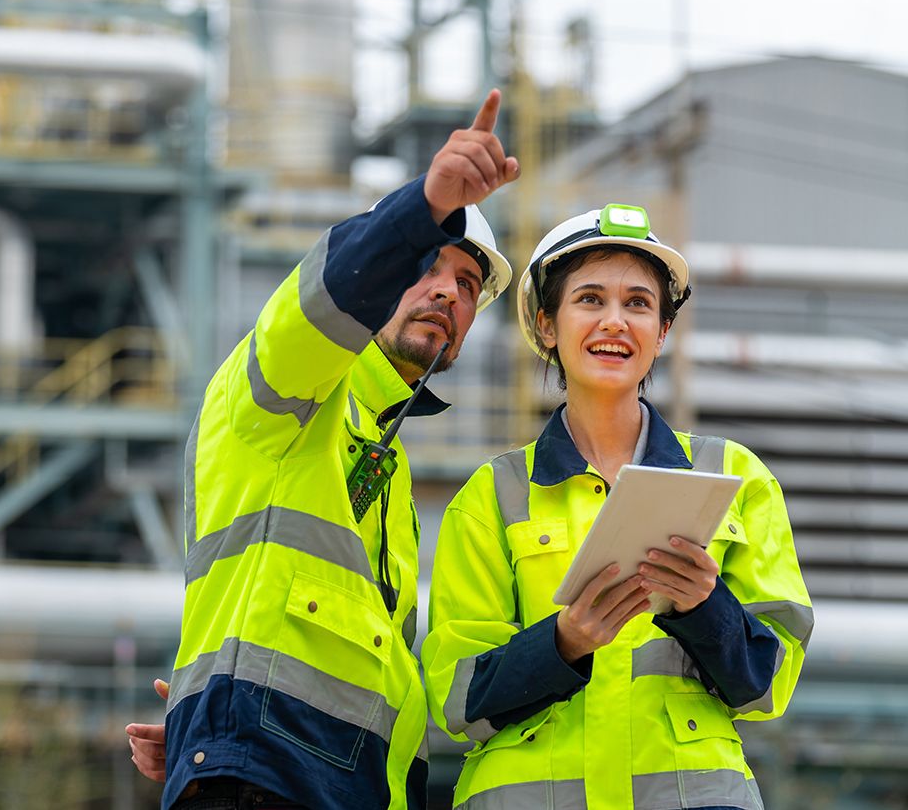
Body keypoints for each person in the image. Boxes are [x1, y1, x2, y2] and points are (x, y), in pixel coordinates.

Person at [128, 90, 520, 810]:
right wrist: (426, 204)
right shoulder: (289, 387)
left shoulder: (386, 467)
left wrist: (203, 718)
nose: (445, 291)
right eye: (426, 265)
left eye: (467, 284)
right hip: (265, 782)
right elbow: (319, 303)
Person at [422, 204, 813, 810]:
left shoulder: (733, 477)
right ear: (547, 325)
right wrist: (564, 641)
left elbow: (768, 686)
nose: (615, 321)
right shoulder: (493, 496)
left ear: (661, 333)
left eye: (638, 303)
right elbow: (455, 697)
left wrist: (705, 606)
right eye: (590, 300)